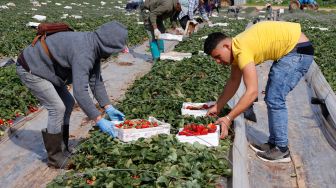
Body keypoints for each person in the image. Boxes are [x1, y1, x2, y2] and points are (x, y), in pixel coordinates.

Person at [16, 21, 128, 168]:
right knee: (57, 107)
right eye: (115, 50)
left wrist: (108, 107)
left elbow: (95, 80)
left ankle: (63, 148)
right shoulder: (85, 52)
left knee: (68, 103)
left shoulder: (94, 45)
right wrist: (98, 119)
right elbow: (80, 92)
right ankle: (55, 157)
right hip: (32, 67)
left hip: (49, 70)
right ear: (108, 46)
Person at [204, 21, 314, 163]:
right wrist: (218, 106)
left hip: (297, 52)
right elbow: (233, 81)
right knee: (272, 97)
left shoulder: (242, 49)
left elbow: (252, 92)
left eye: (218, 56)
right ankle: (273, 143)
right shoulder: (237, 47)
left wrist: (228, 118)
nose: (218, 62)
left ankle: (282, 149)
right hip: (292, 50)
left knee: (275, 98)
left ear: (226, 46)